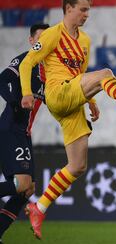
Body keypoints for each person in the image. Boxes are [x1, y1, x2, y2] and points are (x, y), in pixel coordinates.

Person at [19, 0, 116, 239]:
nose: (87, 15)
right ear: (68, 8)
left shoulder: (84, 40)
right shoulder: (53, 34)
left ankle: (38, 207)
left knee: (77, 166)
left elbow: (81, 77)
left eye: (89, 11)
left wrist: (92, 101)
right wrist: (27, 93)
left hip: (72, 101)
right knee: (106, 73)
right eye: (83, 10)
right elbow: (28, 63)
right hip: (57, 93)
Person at [0, 23, 49, 243]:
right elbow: (2, 80)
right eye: (39, 39)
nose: (43, 44)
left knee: (27, 190)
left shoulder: (50, 70)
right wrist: (15, 101)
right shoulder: (25, 60)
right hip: (12, 128)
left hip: (24, 133)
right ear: (31, 41)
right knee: (21, 184)